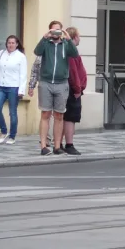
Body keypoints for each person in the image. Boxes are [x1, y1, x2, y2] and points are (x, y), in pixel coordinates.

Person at [33, 20, 78, 156]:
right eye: (53, 30)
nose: (56, 33)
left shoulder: (65, 44)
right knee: (45, 114)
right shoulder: (46, 44)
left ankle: (57, 147)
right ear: (50, 31)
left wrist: (69, 39)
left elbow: (75, 54)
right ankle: (43, 146)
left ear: (62, 31)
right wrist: (44, 37)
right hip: (46, 82)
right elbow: (37, 51)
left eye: (58, 30)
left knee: (59, 115)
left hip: (61, 83)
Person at [0, 35, 27, 145]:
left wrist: (21, 91)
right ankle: (4, 131)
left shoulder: (21, 56)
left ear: (17, 44)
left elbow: (23, 75)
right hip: (0, 86)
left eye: (13, 43)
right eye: (9, 43)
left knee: (12, 112)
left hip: (13, 87)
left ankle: (12, 135)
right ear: (6, 44)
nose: (10, 45)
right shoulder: (1, 53)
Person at [57, 27, 86, 155]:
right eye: (79, 36)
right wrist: (77, 88)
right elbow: (73, 72)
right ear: (74, 37)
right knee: (70, 118)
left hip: (71, 88)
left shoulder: (68, 50)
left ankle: (60, 144)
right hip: (72, 89)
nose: (80, 38)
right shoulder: (71, 53)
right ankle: (69, 144)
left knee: (66, 117)